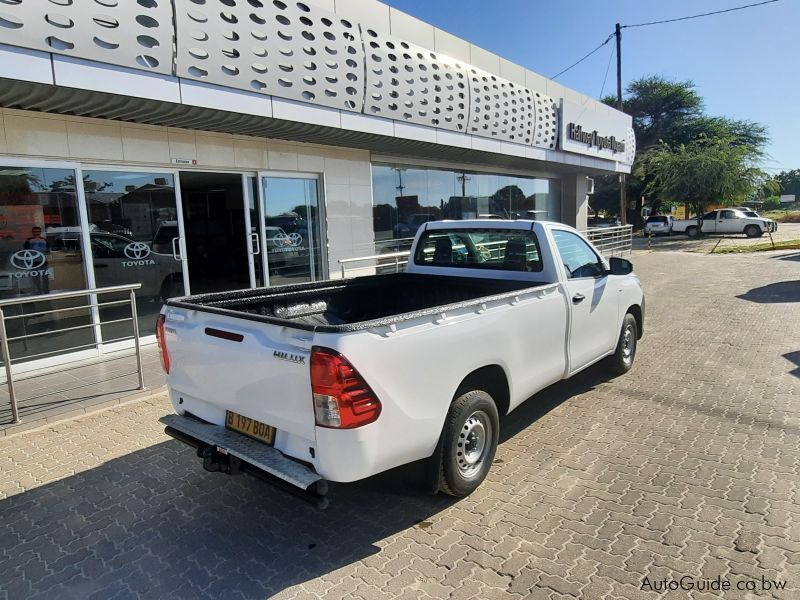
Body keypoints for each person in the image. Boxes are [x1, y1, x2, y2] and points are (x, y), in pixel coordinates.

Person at [23, 226, 50, 294]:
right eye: (35, 232)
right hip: (33, 262)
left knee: (45, 277)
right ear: (32, 232)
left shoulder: (44, 240)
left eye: (38, 231)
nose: (36, 233)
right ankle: (39, 291)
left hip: (43, 261)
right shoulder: (28, 240)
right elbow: (26, 251)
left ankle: (46, 291)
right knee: (36, 278)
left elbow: (48, 250)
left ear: (40, 232)